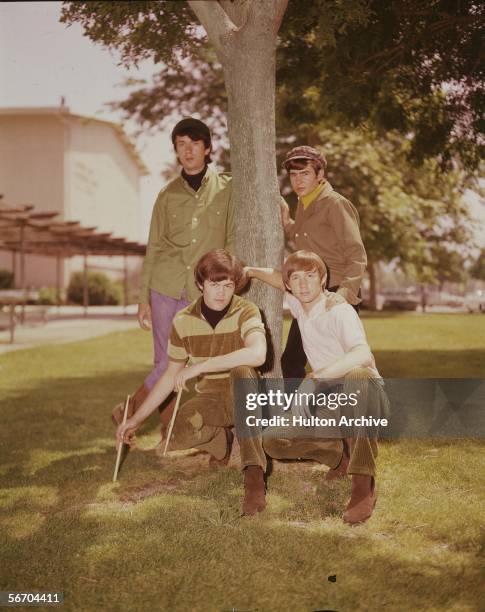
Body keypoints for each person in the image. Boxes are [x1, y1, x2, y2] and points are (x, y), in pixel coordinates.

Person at [116, 249, 268, 516]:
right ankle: (221, 442)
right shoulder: (183, 320)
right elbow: (169, 375)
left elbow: (257, 354)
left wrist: (201, 365)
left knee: (243, 372)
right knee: (178, 432)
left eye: (228, 285)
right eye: (214, 284)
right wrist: (136, 419)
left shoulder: (247, 310)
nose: (221, 292)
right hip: (209, 395)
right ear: (200, 284)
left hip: (244, 391)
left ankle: (254, 477)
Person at [245, 251, 387, 525]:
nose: (303, 284)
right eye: (296, 279)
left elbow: (362, 354)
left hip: (364, 394)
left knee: (357, 377)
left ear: (323, 279)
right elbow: (277, 277)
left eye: (311, 276)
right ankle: (338, 455)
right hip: (329, 400)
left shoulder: (339, 310)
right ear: (289, 286)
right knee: (274, 440)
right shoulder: (299, 305)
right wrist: (250, 270)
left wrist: (314, 378)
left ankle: (363, 483)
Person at [112, 118, 235, 424]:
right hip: (164, 287)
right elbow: (153, 247)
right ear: (176, 151)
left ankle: (129, 411)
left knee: (189, 360)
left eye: (195, 143)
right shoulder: (166, 195)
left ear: (208, 149)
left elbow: (231, 240)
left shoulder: (228, 189)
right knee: (164, 361)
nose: (188, 150)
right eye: (181, 144)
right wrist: (144, 298)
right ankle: (167, 435)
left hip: (202, 289)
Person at [279, 146, 367, 380]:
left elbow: (357, 254)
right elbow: (305, 236)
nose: (298, 180)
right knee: (292, 361)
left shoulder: (334, 203)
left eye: (304, 173)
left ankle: (349, 412)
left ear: (319, 175)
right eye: (293, 175)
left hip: (335, 291)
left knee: (340, 364)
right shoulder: (305, 202)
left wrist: (345, 294)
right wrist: (287, 221)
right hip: (310, 290)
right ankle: (303, 413)